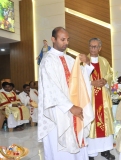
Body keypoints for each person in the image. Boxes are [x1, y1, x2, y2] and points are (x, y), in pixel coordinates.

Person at [38, 27, 94, 160]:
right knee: (60, 152)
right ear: (53, 39)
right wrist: (70, 107)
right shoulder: (47, 61)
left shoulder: (69, 59)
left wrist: (87, 64)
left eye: (68, 39)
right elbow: (51, 88)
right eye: (62, 39)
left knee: (76, 146)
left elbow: (80, 80)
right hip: (57, 111)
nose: (66, 43)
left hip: (72, 108)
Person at [87, 38, 115, 160]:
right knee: (91, 123)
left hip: (103, 98)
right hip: (89, 99)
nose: (93, 49)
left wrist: (105, 81)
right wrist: (92, 83)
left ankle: (105, 151)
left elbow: (110, 75)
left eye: (95, 46)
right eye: (91, 46)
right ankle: (91, 153)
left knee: (105, 123)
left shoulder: (104, 62)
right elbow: (78, 80)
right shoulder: (83, 62)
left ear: (100, 48)